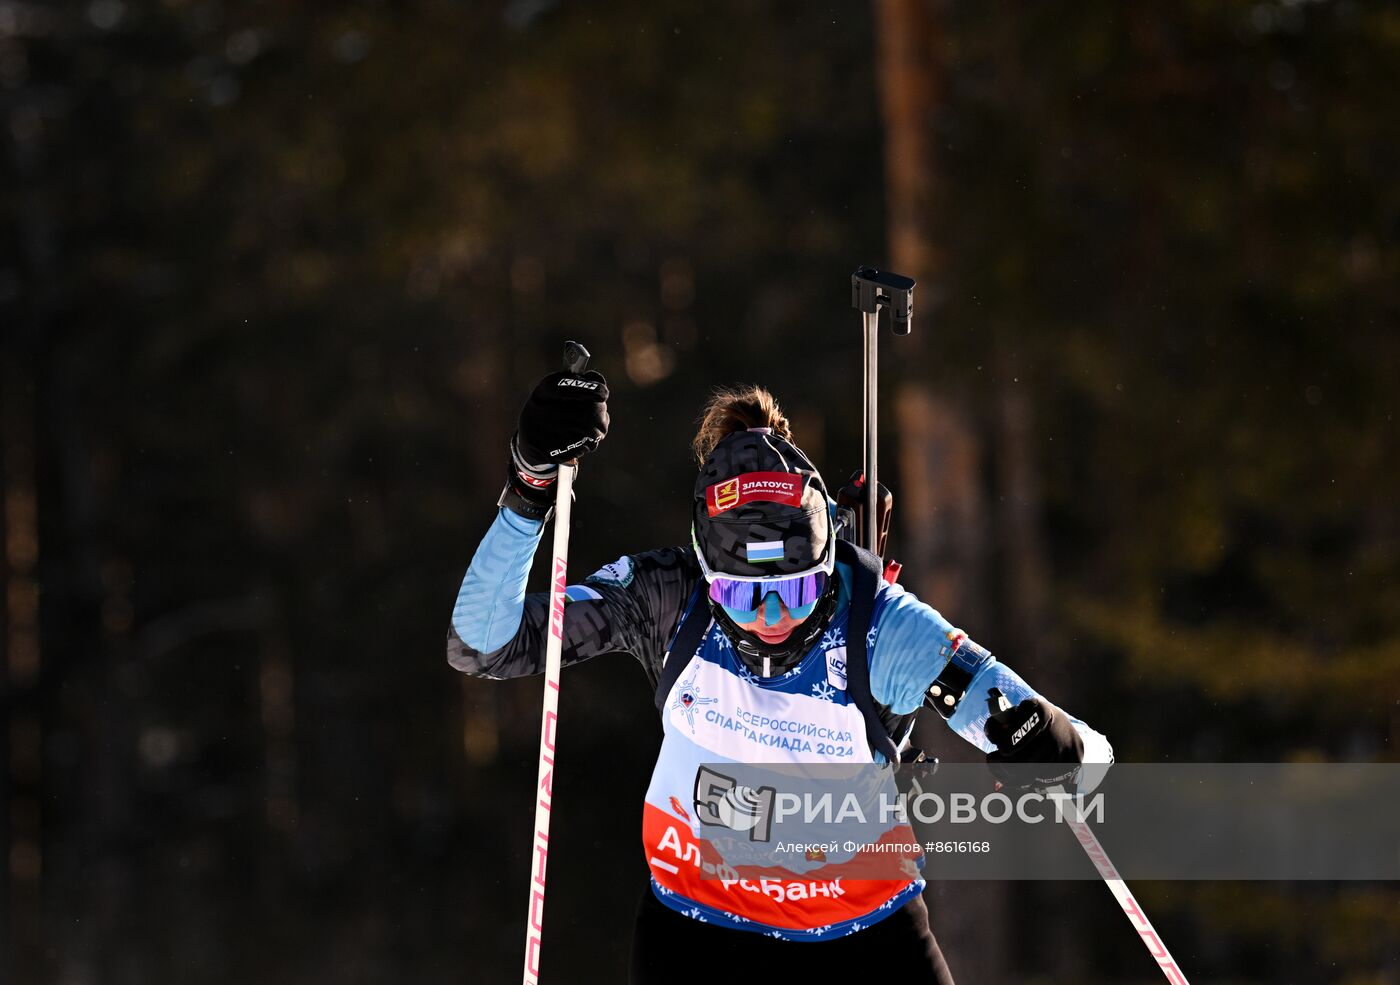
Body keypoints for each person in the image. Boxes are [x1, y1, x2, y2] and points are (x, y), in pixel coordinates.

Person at [448, 371, 1112, 983]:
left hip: (863, 933)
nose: (771, 619)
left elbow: (1089, 758)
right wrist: (530, 486)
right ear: (707, 573)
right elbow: (482, 646)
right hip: (698, 930)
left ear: (827, 566)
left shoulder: (881, 627)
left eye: (795, 592)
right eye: (741, 595)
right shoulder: (669, 598)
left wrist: (1051, 745)